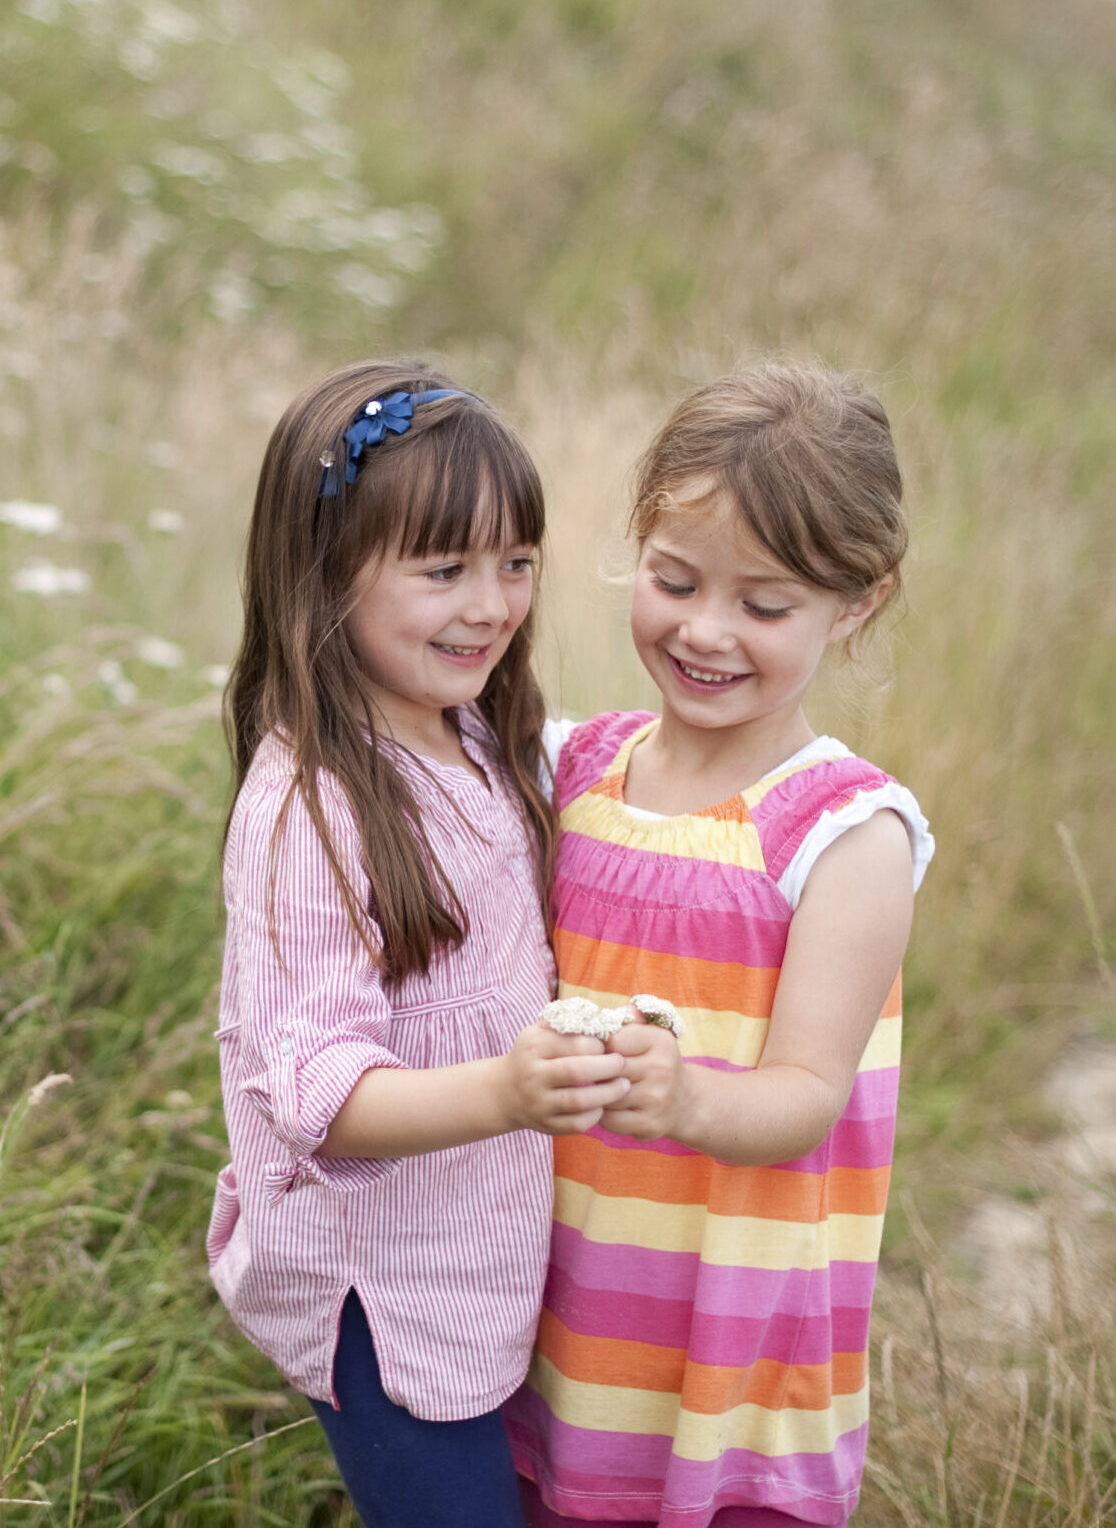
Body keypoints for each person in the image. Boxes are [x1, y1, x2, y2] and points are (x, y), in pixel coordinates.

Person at [506, 362, 935, 1527]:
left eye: (764, 604)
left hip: (729, 1344)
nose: (704, 631)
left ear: (858, 602)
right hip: (568, 1314)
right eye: (674, 579)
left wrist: (684, 1098)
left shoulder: (845, 832)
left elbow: (803, 1091)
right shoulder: (574, 767)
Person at [206, 360, 631, 1528]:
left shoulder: (477, 731)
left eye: (515, 563)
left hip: (482, 1246)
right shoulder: (314, 809)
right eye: (444, 569)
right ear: (326, 575)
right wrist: (508, 1088)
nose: (492, 604)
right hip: (382, 1293)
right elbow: (321, 1096)